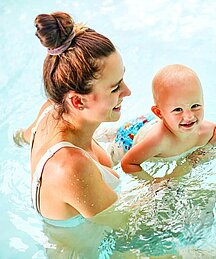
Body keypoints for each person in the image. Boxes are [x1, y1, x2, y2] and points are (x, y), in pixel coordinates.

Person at [20, 11, 131, 228]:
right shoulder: (71, 168)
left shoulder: (50, 110)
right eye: (115, 88)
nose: (128, 91)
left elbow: (23, 137)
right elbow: (128, 230)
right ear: (78, 102)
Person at [112, 64, 216, 181]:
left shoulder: (208, 131)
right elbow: (128, 163)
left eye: (195, 106)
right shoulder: (158, 141)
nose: (189, 116)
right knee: (109, 161)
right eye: (178, 109)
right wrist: (153, 183)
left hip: (162, 121)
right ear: (159, 113)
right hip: (129, 136)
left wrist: (208, 150)